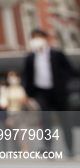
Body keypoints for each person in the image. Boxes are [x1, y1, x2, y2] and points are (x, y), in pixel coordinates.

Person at [23, 28, 76, 156]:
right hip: (41, 92)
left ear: (45, 39)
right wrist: (29, 93)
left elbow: (70, 70)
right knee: (45, 119)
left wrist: (61, 83)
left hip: (58, 92)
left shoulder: (57, 54)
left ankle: (70, 148)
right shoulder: (30, 58)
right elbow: (27, 76)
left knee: (64, 120)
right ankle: (48, 147)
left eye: (39, 37)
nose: (36, 41)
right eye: (34, 38)